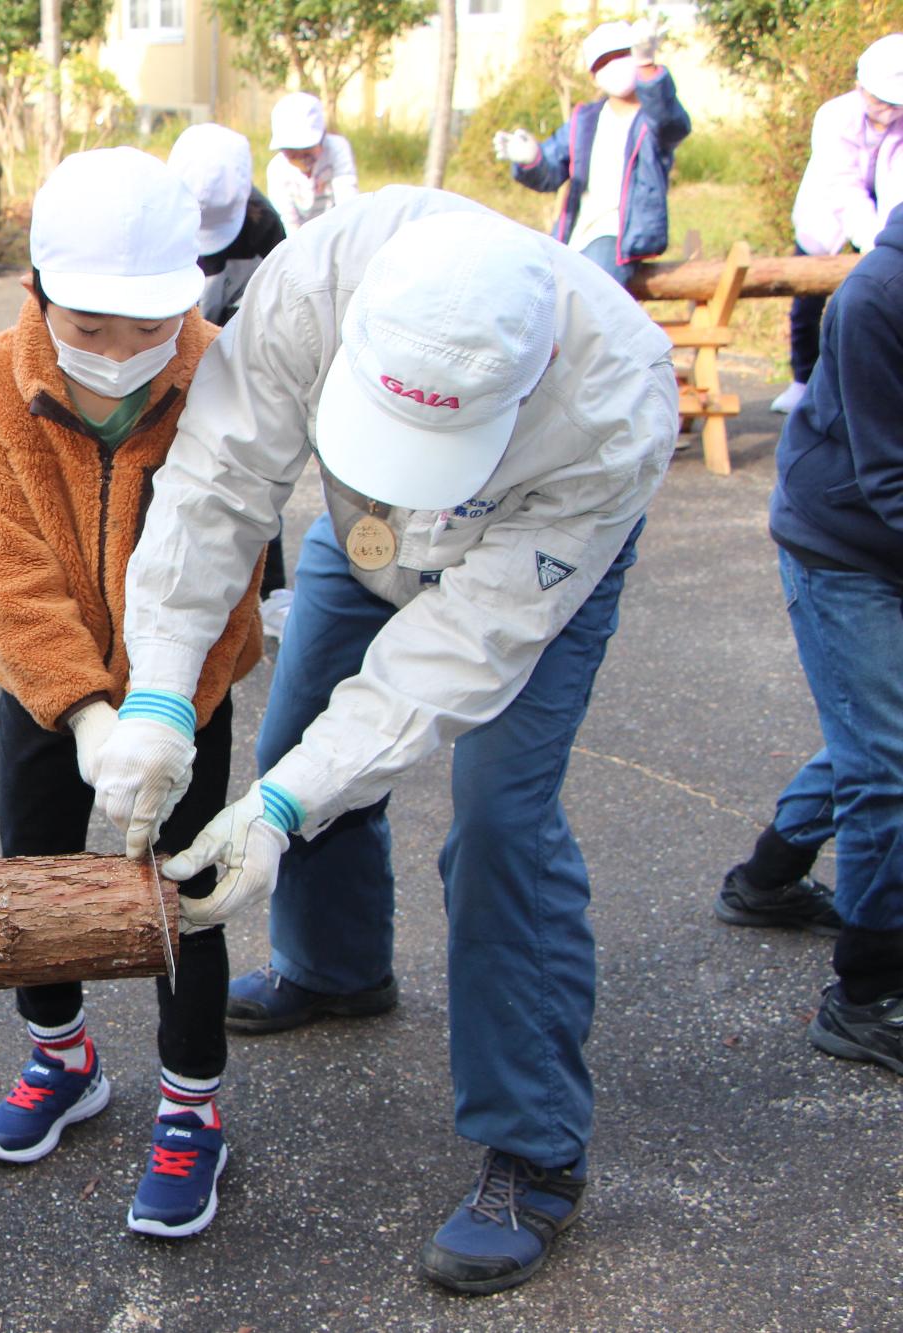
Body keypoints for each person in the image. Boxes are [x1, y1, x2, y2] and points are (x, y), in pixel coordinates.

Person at [89, 186, 679, 1293]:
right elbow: (218, 482)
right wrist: (160, 691)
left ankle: (535, 1147)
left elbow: (461, 647)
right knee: (304, 718)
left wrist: (281, 802)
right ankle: (335, 966)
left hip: (522, 566)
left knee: (502, 822)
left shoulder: (614, 405)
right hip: (360, 529)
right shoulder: (313, 278)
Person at [0, 148, 265, 1238]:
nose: (123, 355)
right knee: (30, 874)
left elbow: (229, 570)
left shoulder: (221, 372)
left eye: (148, 328)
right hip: (45, 686)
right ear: (35, 294)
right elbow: (7, 573)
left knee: (184, 887)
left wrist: (167, 705)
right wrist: (83, 713)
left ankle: (189, 1106)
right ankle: (61, 1057)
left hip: (187, 690)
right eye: (90, 328)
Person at [733, 201, 903, 1076]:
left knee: (876, 730)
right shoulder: (876, 297)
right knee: (888, 761)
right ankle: (868, 993)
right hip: (844, 540)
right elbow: (888, 476)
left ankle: (765, 878)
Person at [169, 121, 293, 637]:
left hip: (234, 352)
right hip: (160, 351)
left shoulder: (265, 226)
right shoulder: (155, 212)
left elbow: (267, 315)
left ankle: (271, 590)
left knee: (255, 464)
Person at [496, 18, 690, 288]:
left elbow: (672, 124)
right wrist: (531, 159)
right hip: (574, 236)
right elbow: (551, 172)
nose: (613, 66)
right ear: (593, 74)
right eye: (602, 62)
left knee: (588, 301)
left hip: (619, 236)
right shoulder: (584, 120)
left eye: (622, 55)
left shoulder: (652, 120)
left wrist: (647, 66)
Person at [776, 33, 903, 414]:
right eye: (880, 100)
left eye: (895, 103)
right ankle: (803, 380)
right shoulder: (834, 116)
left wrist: (892, 243)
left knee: (874, 301)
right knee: (807, 302)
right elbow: (843, 186)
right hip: (828, 216)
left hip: (884, 217)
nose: (887, 109)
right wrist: (873, 243)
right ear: (860, 86)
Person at [264, 92, 357, 236]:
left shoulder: (337, 150)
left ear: (322, 137)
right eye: (292, 152)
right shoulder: (277, 170)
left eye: (307, 150)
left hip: (335, 231)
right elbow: (289, 221)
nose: (301, 158)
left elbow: (348, 202)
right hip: (300, 236)